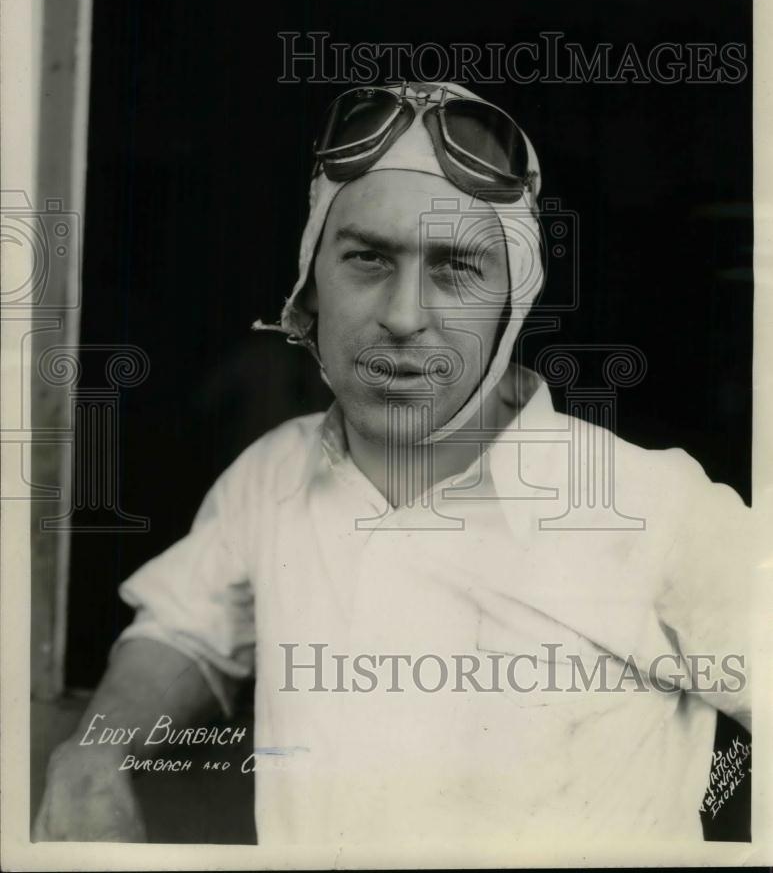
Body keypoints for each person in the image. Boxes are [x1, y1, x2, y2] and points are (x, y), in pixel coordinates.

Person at [34, 81, 756, 847]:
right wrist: (93, 755)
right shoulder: (270, 478)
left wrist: (716, 818)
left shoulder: (655, 509)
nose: (405, 316)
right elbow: (187, 631)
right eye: (369, 259)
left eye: (455, 268)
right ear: (309, 287)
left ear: (514, 300)